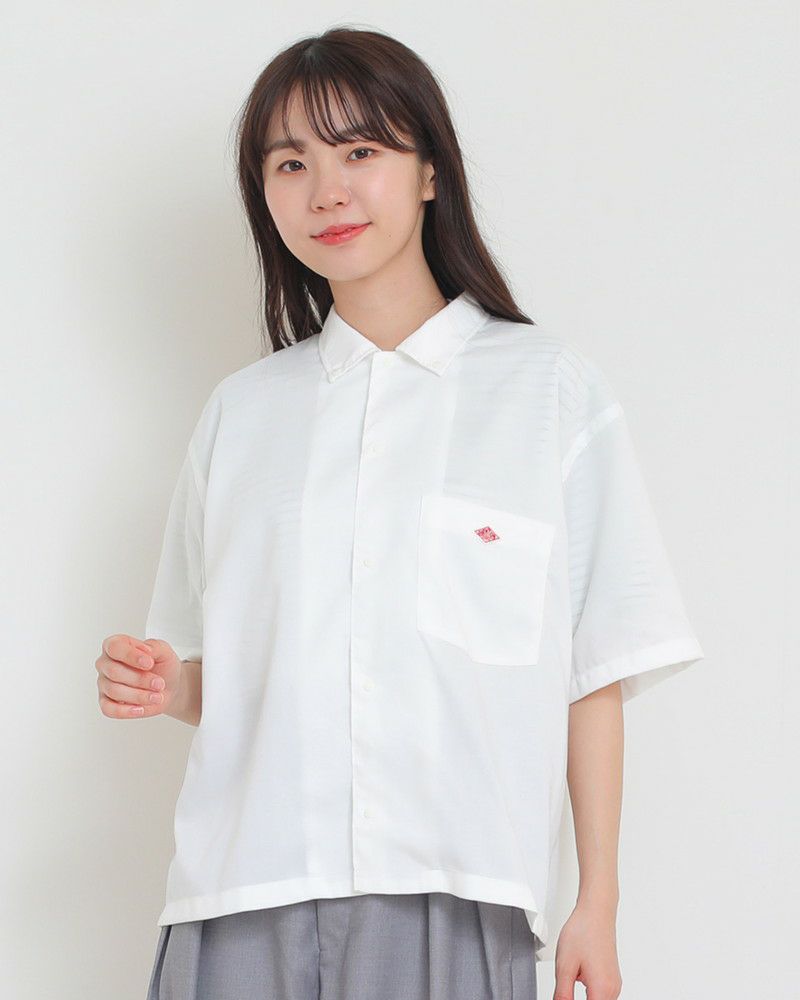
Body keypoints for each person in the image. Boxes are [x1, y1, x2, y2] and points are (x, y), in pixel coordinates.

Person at [95, 25, 705, 1000]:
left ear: (429, 171)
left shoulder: (547, 391)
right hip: (241, 889)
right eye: (291, 163)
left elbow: (591, 668)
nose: (326, 190)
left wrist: (597, 898)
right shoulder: (240, 416)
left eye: (360, 151)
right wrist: (166, 684)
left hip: (454, 892)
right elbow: (218, 677)